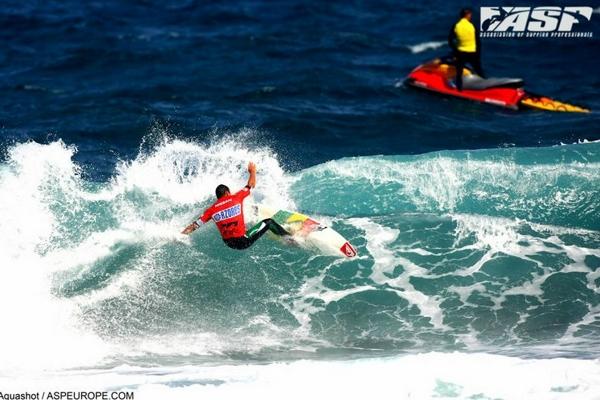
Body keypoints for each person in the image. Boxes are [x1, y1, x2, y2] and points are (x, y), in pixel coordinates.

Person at [181, 161, 288, 249]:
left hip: (229, 244)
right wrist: (252, 172)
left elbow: (195, 225)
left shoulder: (211, 210)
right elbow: (251, 185)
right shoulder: (236, 197)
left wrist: (180, 235)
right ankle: (289, 239)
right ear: (227, 193)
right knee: (269, 222)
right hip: (243, 240)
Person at [448, 7, 485, 91]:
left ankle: (459, 90)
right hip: (473, 53)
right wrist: (478, 54)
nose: (471, 16)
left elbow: (450, 40)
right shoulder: (472, 26)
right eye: (470, 14)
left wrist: (455, 50)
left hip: (461, 53)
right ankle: (486, 86)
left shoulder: (456, 26)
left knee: (459, 73)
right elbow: (478, 42)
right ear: (467, 15)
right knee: (479, 70)